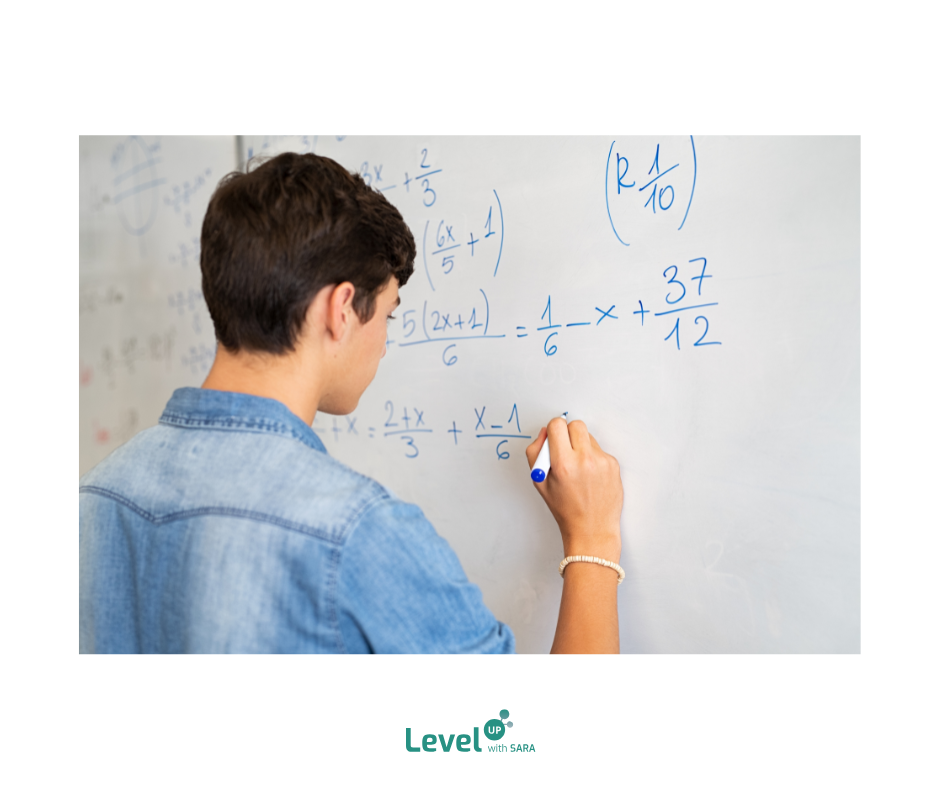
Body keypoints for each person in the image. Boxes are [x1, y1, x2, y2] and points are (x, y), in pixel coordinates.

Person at [79, 152, 624, 654]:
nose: (385, 340)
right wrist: (593, 538)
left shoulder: (97, 494)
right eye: (388, 314)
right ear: (341, 309)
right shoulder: (357, 533)